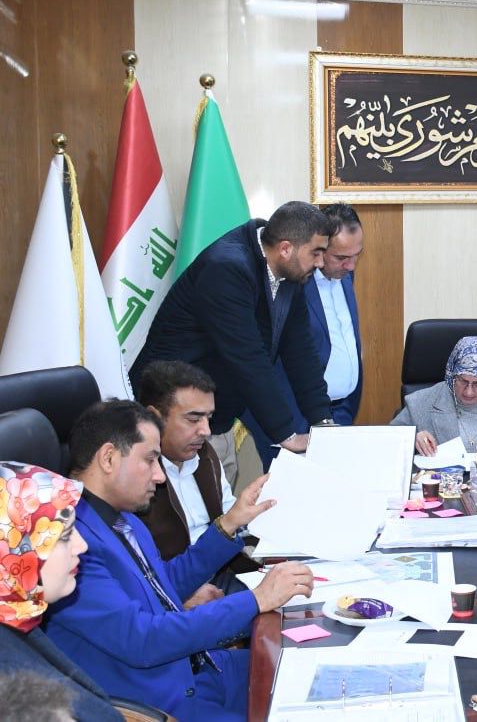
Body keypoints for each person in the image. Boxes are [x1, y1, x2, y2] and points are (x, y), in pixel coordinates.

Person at [45, 400, 314, 720]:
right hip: (167, 703)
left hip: (204, 669)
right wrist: (256, 600)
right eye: (150, 460)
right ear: (108, 458)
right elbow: (143, 639)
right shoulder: (67, 548)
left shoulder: (121, 517)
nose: (160, 476)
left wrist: (229, 524)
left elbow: (162, 585)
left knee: (310, 665)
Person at [131, 201, 337, 489]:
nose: (320, 263)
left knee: (219, 506)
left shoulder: (291, 273)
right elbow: (248, 357)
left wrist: (323, 423)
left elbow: (301, 353)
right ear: (285, 248)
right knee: (187, 513)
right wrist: (286, 434)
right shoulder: (226, 267)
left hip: (215, 420)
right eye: (316, 253)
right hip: (172, 423)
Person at [243, 202, 364, 468]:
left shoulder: (344, 273)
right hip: (292, 416)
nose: (351, 265)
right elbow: (270, 356)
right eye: (341, 257)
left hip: (339, 412)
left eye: (356, 255)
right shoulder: (290, 281)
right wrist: (290, 427)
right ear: (319, 247)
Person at [0, 462, 122, 721]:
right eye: (64, 536)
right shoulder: (11, 690)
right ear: (15, 553)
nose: (82, 545)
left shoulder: (18, 618)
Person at [133, 360, 259, 590]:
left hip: (221, 574)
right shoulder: (133, 474)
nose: (206, 431)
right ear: (154, 418)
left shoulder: (204, 454)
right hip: (169, 588)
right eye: (193, 419)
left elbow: (230, 514)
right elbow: (134, 571)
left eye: (208, 418)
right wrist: (178, 596)